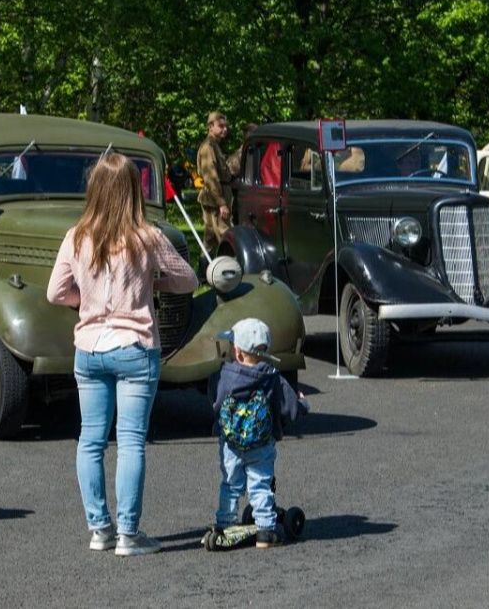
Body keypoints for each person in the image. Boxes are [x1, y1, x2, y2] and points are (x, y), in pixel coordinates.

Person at [46, 153, 199, 556]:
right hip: (134, 347)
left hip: (89, 348)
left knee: (90, 441)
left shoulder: (76, 236)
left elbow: (55, 293)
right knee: (130, 441)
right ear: (133, 191)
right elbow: (188, 280)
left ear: (93, 189)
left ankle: (100, 529)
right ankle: (129, 535)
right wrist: (154, 282)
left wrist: (88, 300)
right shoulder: (146, 236)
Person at [208, 318, 308, 548]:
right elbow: (289, 408)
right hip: (262, 444)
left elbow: (215, 400)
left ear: (238, 352)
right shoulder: (272, 378)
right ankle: (265, 529)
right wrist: (302, 404)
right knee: (260, 483)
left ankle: (225, 523)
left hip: (230, 444)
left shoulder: (224, 375)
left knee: (230, 484)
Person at [195, 112, 239, 254]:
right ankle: (231, 270)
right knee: (226, 236)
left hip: (216, 198)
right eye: (221, 126)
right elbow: (211, 177)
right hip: (215, 201)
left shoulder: (215, 146)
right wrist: (221, 203)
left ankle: (204, 272)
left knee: (210, 240)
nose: (225, 129)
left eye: (226, 126)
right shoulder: (208, 147)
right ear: (210, 126)